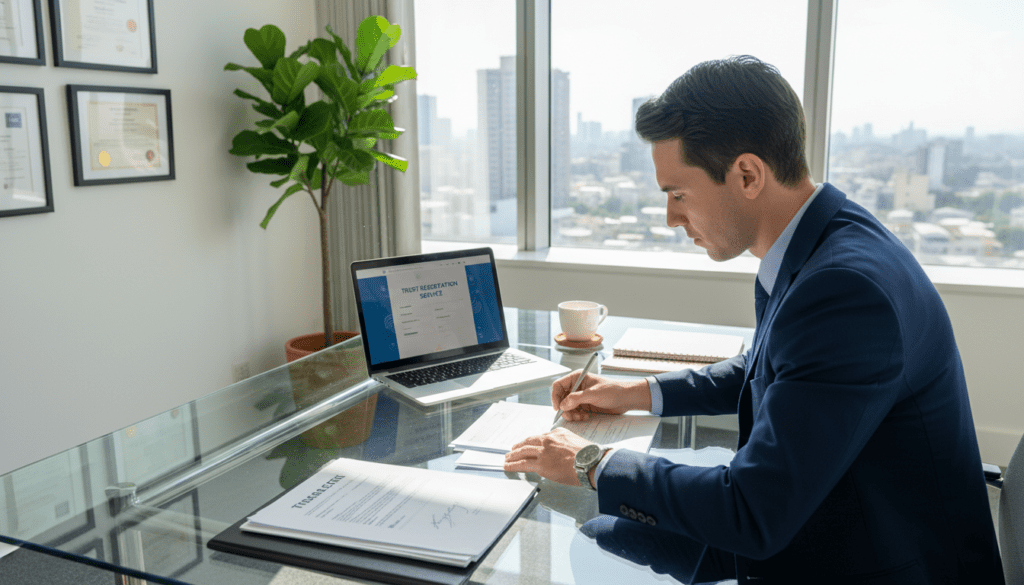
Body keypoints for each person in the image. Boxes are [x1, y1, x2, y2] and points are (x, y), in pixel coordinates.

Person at [503, 55, 1003, 584]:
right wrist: (633, 393)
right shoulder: (822, 241)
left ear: (746, 174)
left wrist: (591, 463)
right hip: (821, 511)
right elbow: (763, 368)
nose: (671, 217)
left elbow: (751, 511)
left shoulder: (845, 292)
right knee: (603, 533)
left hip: (867, 559)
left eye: (677, 194)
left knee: (586, 542)